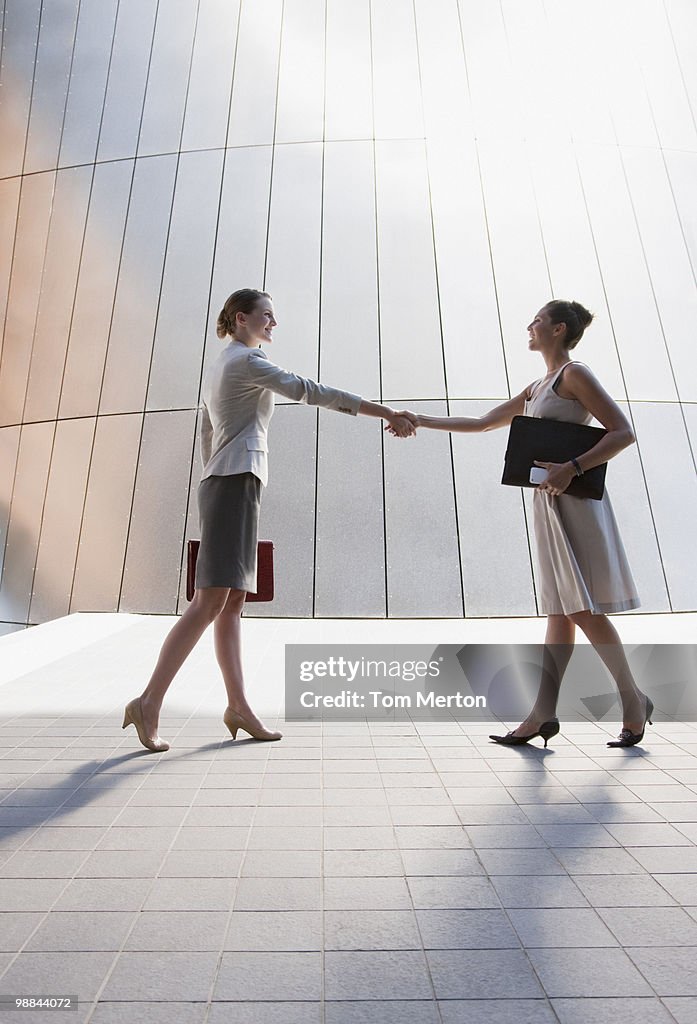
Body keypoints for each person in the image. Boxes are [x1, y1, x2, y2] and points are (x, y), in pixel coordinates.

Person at [123, 288, 415, 752]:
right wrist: (386, 413)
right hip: (233, 481)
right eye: (267, 316)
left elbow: (206, 429)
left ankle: (238, 705)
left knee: (232, 600)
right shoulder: (246, 362)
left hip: (230, 480)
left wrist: (215, 476)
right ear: (242, 319)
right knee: (209, 600)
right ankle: (149, 701)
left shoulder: (223, 363)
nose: (273, 323)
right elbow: (311, 391)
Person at [395, 300, 652, 748]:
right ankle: (542, 714)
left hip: (573, 500)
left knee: (579, 609)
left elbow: (623, 432)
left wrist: (572, 465)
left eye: (536, 321)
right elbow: (481, 423)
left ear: (557, 329)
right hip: (549, 502)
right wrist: (421, 420)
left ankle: (632, 700)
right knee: (560, 610)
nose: (528, 326)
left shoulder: (575, 375)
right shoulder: (537, 387)